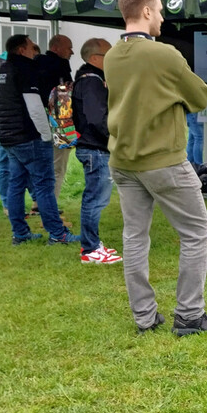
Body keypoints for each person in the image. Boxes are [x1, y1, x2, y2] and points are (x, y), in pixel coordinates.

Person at [105, 0, 207, 335]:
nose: (162, 17)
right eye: (159, 11)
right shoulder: (165, 55)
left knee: (134, 237)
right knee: (197, 231)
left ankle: (144, 317)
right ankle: (189, 315)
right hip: (163, 160)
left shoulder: (112, 55)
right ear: (146, 12)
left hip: (122, 161)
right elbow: (200, 97)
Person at [0, 34, 80, 246]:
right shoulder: (25, 69)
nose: (35, 52)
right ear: (21, 50)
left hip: (8, 136)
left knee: (16, 184)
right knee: (44, 185)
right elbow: (35, 107)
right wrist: (46, 136)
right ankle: (57, 234)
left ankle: (20, 233)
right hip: (29, 136)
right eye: (32, 48)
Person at [72, 37, 122, 265]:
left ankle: (92, 245)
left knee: (95, 198)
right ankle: (90, 249)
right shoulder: (92, 82)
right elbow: (96, 118)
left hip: (92, 147)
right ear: (94, 58)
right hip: (96, 149)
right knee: (95, 199)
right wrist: (114, 139)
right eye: (108, 54)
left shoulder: (88, 78)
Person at [35, 34, 74, 205]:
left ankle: (39, 203)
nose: (72, 52)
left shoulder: (36, 64)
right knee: (57, 168)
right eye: (69, 48)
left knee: (43, 166)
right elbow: (64, 98)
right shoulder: (60, 67)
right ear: (56, 48)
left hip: (38, 122)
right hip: (60, 122)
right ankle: (49, 208)